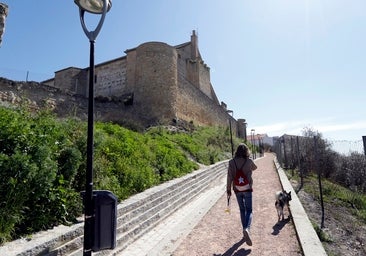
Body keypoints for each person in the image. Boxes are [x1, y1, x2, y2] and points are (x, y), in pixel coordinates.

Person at [226, 143, 257, 246]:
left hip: (237, 189)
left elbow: (229, 177)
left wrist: (228, 189)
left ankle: (244, 231)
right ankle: (247, 229)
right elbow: (255, 167)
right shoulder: (249, 161)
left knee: (242, 210)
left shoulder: (231, 162)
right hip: (247, 188)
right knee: (249, 210)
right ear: (246, 151)